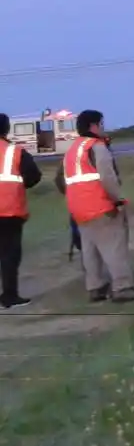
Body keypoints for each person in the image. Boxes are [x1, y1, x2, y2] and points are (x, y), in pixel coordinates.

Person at [54, 109, 134, 303]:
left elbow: (60, 180)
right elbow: (107, 177)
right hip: (102, 207)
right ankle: (123, 287)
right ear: (93, 126)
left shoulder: (71, 151)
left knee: (90, 250)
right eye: (102, 124)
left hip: (79, 210)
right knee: (115, 247)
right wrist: (117, 199)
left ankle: (95, 287)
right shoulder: (97, 148)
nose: (103, 128)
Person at [0, 113, 43, 310]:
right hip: (9, 211)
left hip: (10, 210)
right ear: (6, 129)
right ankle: (9, 296)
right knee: (9, 255)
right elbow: (34, 176)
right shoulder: (16, 152)